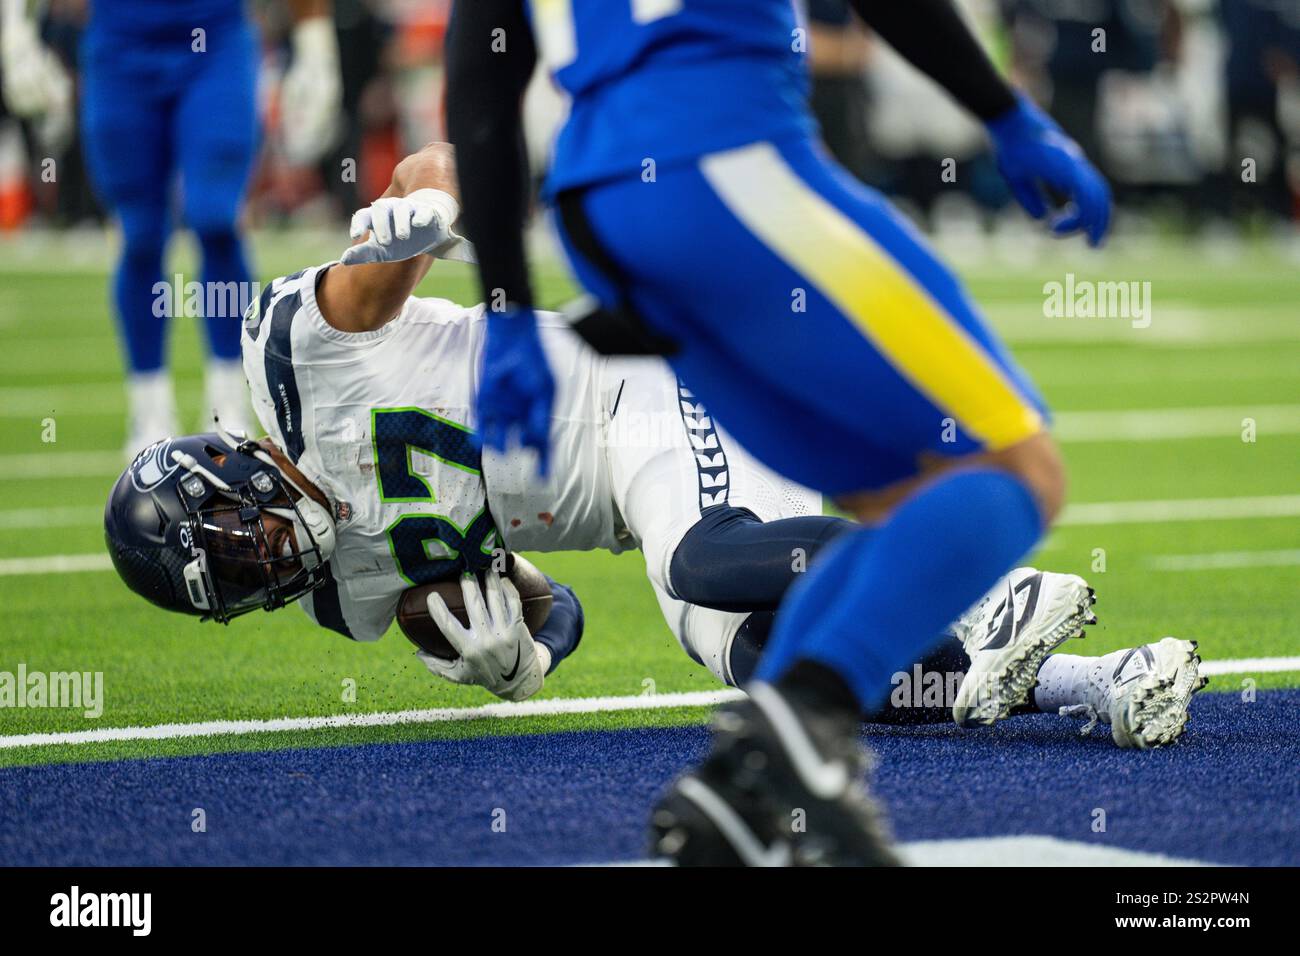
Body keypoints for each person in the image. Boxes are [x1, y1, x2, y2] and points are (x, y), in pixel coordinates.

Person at [105, 147, 1196, 758]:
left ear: (223, 469)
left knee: (704, 564)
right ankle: (1099, 680)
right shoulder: (349, 590)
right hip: (638, 493)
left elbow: (419, 188)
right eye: (237, 579)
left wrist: (427, 205)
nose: (259, 561)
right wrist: (518, 661)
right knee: (763, 660)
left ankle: (983, 591)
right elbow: (547, 605)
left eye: (233, 537)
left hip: (642, 374)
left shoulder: (295, 356)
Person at [441, 0, 1113, 865]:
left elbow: (481, 66)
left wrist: (505, 307)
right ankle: (796, 740)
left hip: (601, 207)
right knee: (1017, 471)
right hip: (725, 160)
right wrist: (1007, 112)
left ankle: (739, 792)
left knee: (899, 499)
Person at [1, 0, 342, 455]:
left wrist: (316, 42)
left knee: (216, 216)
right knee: (139, 233)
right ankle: (150, 407)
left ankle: (228, 399)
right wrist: (15, 27)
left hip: (214, 39)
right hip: (119, 43)